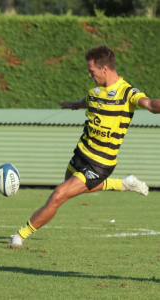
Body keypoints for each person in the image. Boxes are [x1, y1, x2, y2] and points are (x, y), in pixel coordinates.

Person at [11, 44, 156, 246]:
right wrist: (74, 104)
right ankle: (122, 184)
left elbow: (149, 104)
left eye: (92, 71)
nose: (89, 75)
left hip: (100, 164)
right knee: (68, 189)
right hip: (81, 152)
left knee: (58, 195)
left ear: (105, 69)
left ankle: (19, 236)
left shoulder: (126, 92)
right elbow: (86, 101)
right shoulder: (95, 91)